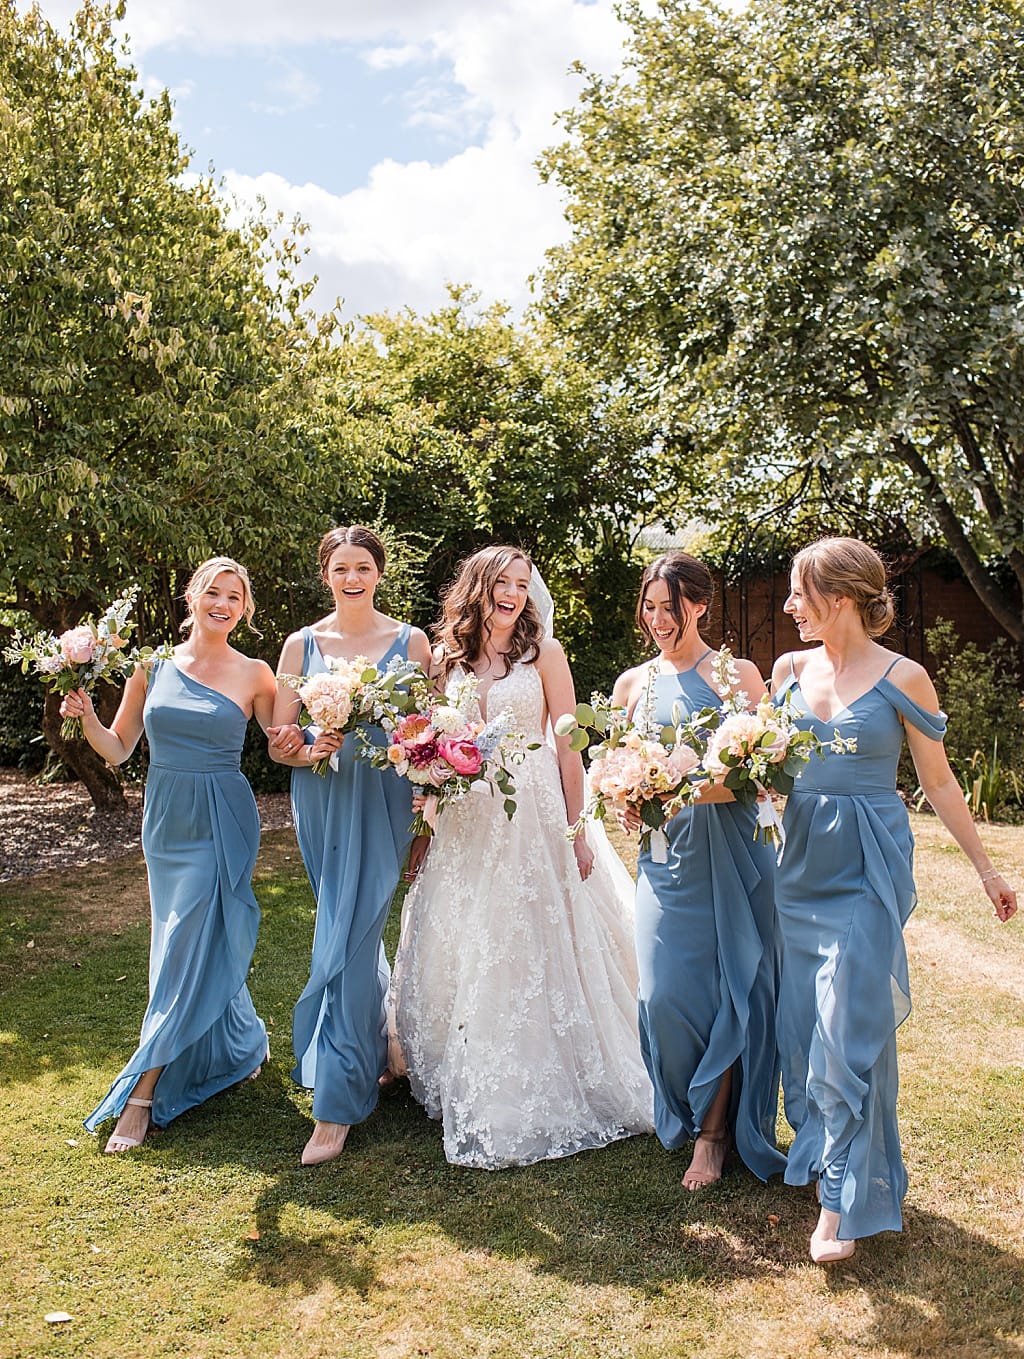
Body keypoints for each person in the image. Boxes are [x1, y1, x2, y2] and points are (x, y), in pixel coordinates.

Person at [771, 536, 1017, 1263]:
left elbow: (937, 781)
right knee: (814, 1025)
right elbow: (759, 765)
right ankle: (836, 1158)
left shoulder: (905, 676)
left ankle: (839, 1200)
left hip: (867, 865)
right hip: (799, 865)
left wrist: (986, 868)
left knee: (849, 1019)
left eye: (799, 593)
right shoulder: (788, 670)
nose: (789, 606)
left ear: (838, 597)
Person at [390, 544, 653, 1169]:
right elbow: (429, 743)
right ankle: (462, 1065)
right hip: (466, 817)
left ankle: (541, 1073)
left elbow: (568, 749)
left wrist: (577, 830)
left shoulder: (544, 655)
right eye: (500, 582)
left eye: (520, 583)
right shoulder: (446, 657)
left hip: (532, 812)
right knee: (467, 933)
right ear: (477, 588)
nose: (511, 593)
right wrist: (424, 827)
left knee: (529, 936)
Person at [61, 557, 278, 1153]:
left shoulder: (257, 674)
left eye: (235, 596)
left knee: (185, 943)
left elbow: (283, 745)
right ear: (192, 597)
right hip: (166, 821)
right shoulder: (150, 666)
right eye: (214, 591)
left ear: (244, 609)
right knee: (182, 942)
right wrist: (87, 721)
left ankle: (142, 1097)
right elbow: (119, 747)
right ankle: (241, 1043)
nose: (223, 604)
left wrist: (328, 730)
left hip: (221, 817)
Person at [612, 552, 785, 1191]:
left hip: (736, 852)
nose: (659, 620)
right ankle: (689, 1105)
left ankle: (713, 1135)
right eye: (650, 607)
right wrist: (626, 797)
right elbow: (617, 766)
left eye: (672, 607)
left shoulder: (736, 676)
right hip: (666, 858)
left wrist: (691, 786)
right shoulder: (634, 685)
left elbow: (762, 770)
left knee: (734, 988)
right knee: (662, 996)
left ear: (702, 605)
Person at [268, 525, 431, 1167]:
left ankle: (335, 1106)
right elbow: (283, 736)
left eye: (363, 566)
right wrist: (306, 747)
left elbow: (424, 736)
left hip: (386, 797)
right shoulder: (300, 643)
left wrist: (424, 817)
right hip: (323, 797)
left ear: (379, 573)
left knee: (352, 935)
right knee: (344, 926)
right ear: (326, 574)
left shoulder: (410, 641)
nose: (352, 577)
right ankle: (383, 1047)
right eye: (341, 567)